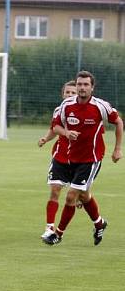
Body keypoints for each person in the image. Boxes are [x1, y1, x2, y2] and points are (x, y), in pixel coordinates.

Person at [43, 70, 122, 245]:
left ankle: (58, 234)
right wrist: (66, 133)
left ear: (92, 87)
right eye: (79, 84)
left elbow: (118, 122)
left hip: (91, 159)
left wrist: (117, 149)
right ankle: (100, 223)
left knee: (71, 196)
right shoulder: (66, 105)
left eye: (86, 84)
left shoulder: (101, 106)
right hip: (71, 158)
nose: (82, 87)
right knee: (84, 196)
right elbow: (55, 125)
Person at [37, 80, 77, 238]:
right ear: (62, 94)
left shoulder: (84, 110)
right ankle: (49, 227)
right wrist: (46, 139)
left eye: (73, 93)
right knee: (54, 190)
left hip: (79, 159)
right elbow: (54, 129)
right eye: (67, 92)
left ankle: (98, 222)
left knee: (79, 196)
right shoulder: (58, 110)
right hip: (60, 156)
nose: (70, 95)